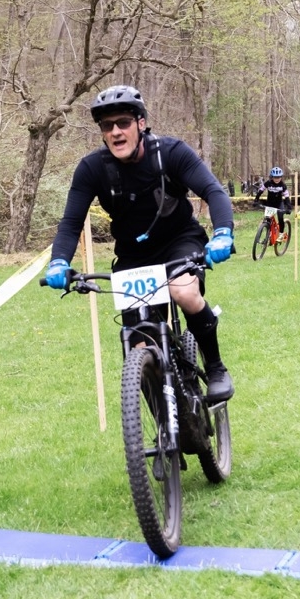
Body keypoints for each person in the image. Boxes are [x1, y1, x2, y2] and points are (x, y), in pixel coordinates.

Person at [43, 85, 235, 403]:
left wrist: (223, 233)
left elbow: (213, 191)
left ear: (141, 123)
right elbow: (71, 222)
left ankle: (215, 368)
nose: (115, 131)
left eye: (123, 122)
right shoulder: (92, 169)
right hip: (134, 256)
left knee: (184, 292)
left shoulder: (171, 153)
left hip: (179, 241)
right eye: (107, 126)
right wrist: (59, 261)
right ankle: (162, 422)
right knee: (138, 344)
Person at [257, 167, 291, 233]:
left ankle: (281, 233)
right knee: (268, 218)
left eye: (278, 177)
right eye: (275, 177)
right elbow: (260, 191)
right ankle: (269, 233)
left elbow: (287, 197)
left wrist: (289, 207)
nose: (277, 179)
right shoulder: (268, 183)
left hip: (279, 203)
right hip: (270, 203)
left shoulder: (283, 185)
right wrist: (256, 200)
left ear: (281, 177)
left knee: (280, 217)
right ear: (272, 177)